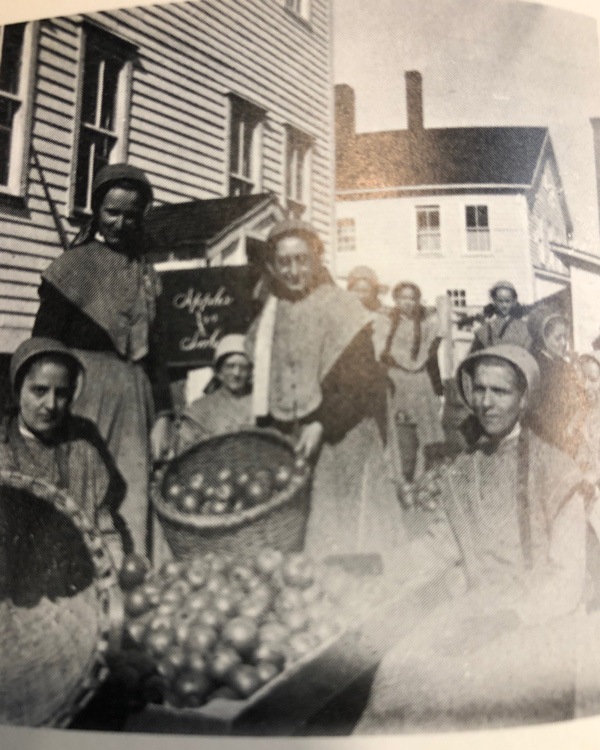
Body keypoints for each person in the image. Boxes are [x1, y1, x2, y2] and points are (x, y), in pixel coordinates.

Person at [355, 344, 594, 733]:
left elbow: (567, 576)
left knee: (471, 689)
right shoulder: (464, 468)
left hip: (537, 614)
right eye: (479, 390)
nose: (486, 402)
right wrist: (378, 564)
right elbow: (440, 546)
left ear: (524, 398)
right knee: (396, 670)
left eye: (500, 392)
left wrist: (506, 619)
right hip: (475, 604)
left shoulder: (557, 469)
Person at [245, 219, 405, 570]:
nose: (293, 270)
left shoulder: (341, 306)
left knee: (343, 536)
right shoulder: (270, 313)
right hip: (292, 439)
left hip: (339, 437)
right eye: (283, 263)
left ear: (317, 258)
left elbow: (359, 382)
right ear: (272, 266)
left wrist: (321, 423)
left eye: (301, 259)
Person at [32, 163, 172, 557]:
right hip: (82, 397)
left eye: (132, 214)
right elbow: (42, 346)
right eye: (112, 212)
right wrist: (47, 400)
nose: (121, 223)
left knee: (130, 492)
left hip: (135, 403)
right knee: (81, 488)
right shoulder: (71, 268)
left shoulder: (146, 273)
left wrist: (163, 414)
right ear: (96, 209)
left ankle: (130, 579)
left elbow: (158, 354)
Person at [0, 337, 124, 554]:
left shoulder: (84, 456)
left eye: (61, 394)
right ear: (17, 390)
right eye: (39, 391)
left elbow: (105, 532)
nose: (50, 404)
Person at [381, 282, 445, 486]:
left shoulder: (426, 325)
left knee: (424, 429)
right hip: (395, 381)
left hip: (420, 382)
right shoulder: (386, 323)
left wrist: (438, 389)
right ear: (396, 300)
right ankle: (397, 476)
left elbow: (432, 359)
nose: (407, 302)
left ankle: (423, 476)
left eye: (412, 298)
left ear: (418, 301)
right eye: (402, 298)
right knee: (398, 427)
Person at [175, 334, 254, 453]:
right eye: (230, 366)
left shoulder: (261, 405)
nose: (236, 373)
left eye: (243, 367)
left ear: (250, 372)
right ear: (219, 371)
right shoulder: (200, 409)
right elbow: (186, 451)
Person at [526, 306, 582, 456]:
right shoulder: (535, 367)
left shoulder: (565, 365)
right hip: (547, 441)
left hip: (570, 435)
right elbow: (535, 411)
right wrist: (561, 433)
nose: (564, 343)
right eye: (559, 338)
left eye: (566, 337)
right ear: (543, 339)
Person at [470, 281, 531, 352]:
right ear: (494, 301)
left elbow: (528, 355)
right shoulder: (483, 330)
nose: (504, 305)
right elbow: (474, 356)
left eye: (507, 301)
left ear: (514, 302)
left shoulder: (523, 328)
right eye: (500, 301)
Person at [346, 266, 390, 358]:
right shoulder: (342, 312)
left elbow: (380, 347)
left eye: (365, 291)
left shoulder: (380, 315)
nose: (360, 296)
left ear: (373, 292)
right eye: (356, 290)